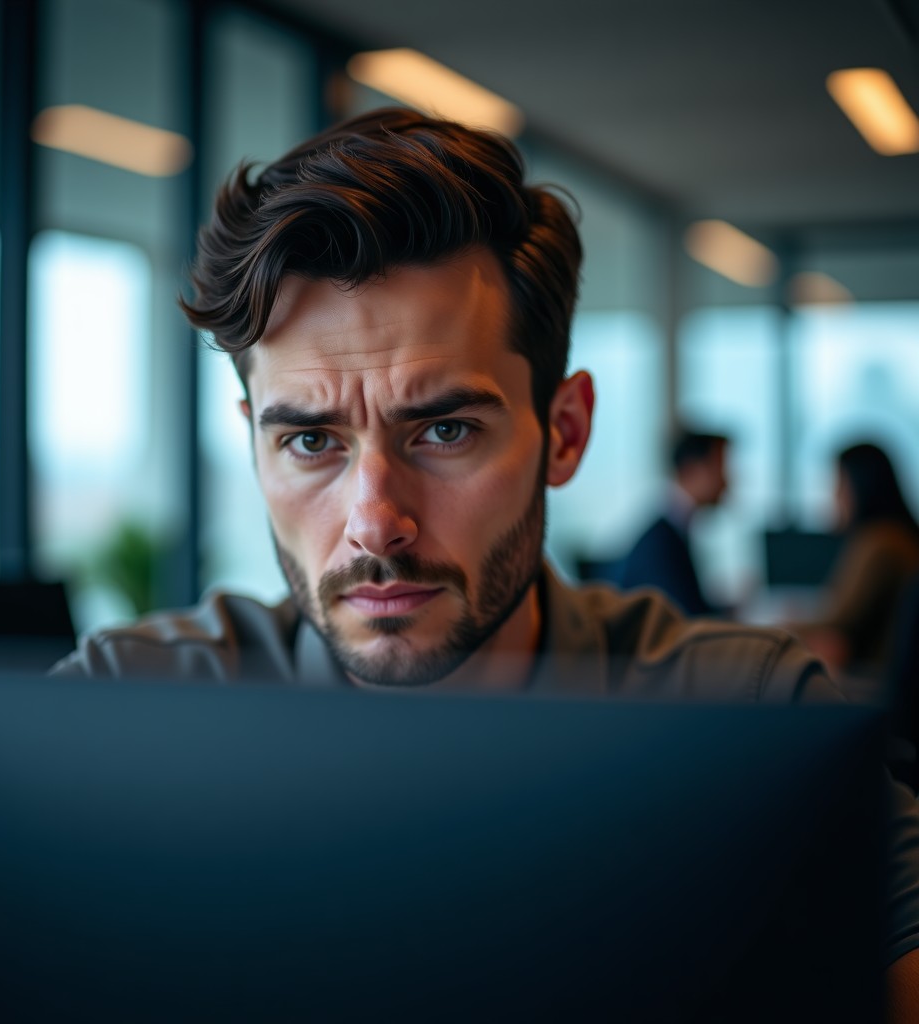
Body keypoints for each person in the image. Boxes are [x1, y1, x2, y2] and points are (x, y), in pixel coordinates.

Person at [50, 108, 919, 1002]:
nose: (375, 521)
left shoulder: (749, 719)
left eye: (446, 429)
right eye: (311, 442)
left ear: (565, 432)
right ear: (254, 445)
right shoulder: (117, 716)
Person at [790, 441, 919, 678]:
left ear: (862, 486)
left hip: (873, 680)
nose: (835, 496)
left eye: (840, 485)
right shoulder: (899, 536)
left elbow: (838, 620)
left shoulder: (879, 543)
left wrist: (775, 626)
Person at [617, 429, 731, 617]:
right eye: (720, 467)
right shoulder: (661, 544)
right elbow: (685, 622)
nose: (727, 481)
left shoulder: (672, 532)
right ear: (690, 469)